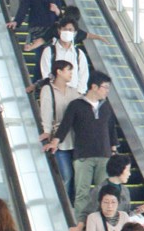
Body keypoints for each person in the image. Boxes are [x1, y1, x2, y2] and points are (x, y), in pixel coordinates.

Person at [45, 70, 115, 219]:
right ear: (94, 87)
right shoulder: (76, 105)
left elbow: (111, 129)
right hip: (83, 156)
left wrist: (113, 149)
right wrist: (55, 141)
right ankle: (80, 224)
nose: (107, 91)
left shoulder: (106, 106)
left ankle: (101, 224)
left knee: (104, 193)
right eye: (105, 87)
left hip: (104, 155)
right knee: (82, 192)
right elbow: (65, 125)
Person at [37, 56, 82, 199]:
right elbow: (46, 111)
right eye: (68, 71)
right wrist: (47, 131)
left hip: (75, 138)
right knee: (66, 176)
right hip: (58, 139)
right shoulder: (47, 90)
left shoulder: (73, 91)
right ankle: (65, 206)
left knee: (77, 178)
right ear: (59, 72)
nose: (71, 74)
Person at [28, 14, 90, 85]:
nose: (67, 32)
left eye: (70, 30)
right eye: (64, 29)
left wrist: (79, 92)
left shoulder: (79, 54)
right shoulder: (49, 51)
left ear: (75, 33)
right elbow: (46, 74)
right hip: (55, 92)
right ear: (59, 31)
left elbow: (84, 75)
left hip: (74, 93)